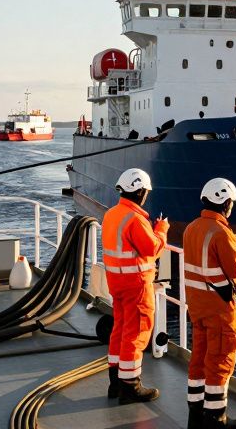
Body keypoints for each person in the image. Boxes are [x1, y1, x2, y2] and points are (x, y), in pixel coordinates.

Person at [183, 178, 236, 429]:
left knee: (199, 358)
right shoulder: (221, 233)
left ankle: (195, 412)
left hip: (197, 307)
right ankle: (215, 417)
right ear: (225, 203)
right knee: (220, 360)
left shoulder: (191, 228)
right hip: (218, 309)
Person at [102, 167, 169, 403]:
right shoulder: (135, 219)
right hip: (136, 286)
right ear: (140, 192)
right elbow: (152, 248)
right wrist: (161, 230)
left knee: (119, 330)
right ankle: (130, 386)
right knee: (136, 333)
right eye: (146, 192)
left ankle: (115, 383)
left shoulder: (111, 214)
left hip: (116, 282)